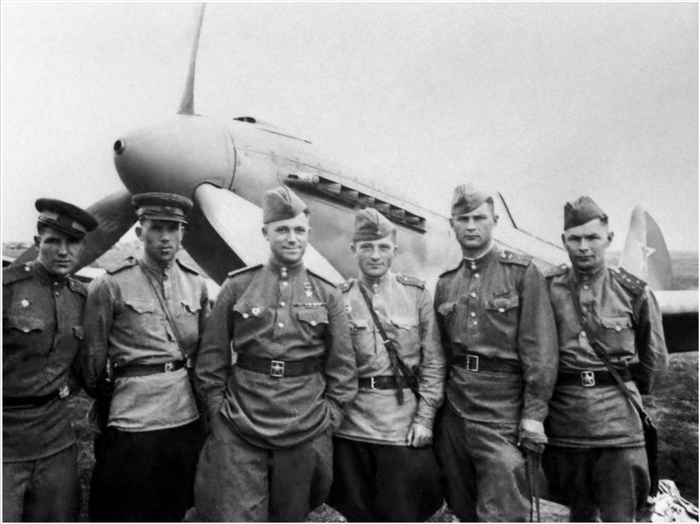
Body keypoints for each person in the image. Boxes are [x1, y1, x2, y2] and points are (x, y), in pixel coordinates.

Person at [193, 186, 357, 522]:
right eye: (282, 229)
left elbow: (342, 366)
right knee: (236, 514)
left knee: (291, 514)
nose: (291, 238)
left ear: (308, 234)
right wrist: (217, 412)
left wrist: (331, 417)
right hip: (240, 421)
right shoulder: (238, 286)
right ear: (265, 233)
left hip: (306, 423)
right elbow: (211, 360)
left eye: (299, 230)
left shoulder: (328, 293)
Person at [433, 183, 558, 521]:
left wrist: (534, 415)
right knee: (462, 505)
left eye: (479, 218)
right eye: (463, 219)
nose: (471, 226)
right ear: (452, 223)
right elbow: (441, 353)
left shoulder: (521, 273)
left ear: (495, 221)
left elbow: (540, 350)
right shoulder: (446, 282)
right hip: (457, 411)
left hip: (503, 412)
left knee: (503, 509)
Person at [82, 192, 210, 522]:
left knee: (174, 505)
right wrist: (109, 398)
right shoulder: (110, 284)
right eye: (156, 228)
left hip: (183, 416)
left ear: (183, 233)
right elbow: (93, 359)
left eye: (173, 228)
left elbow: (205, 353)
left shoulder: (196, 285)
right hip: (132, 417)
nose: (165, 237)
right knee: (124, 507)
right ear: (140, 232)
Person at [542, 196, 668, 522]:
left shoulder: (633, 292)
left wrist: (623, 389)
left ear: (608, 239)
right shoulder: (546, 289)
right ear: (564, 241)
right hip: (565, 426)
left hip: (619, 428)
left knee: (620, 515)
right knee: (578, 513)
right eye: (575, 239)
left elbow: (654, 362)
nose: (584, 247)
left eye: (592, 237)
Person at [326, 208, 446, 521]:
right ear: (354, 250)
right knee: (357, 513)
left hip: (401, 428)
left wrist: (425, 419)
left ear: (395, 249)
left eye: (383, 247)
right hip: (352, 427)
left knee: (402, 512)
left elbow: (433, 363)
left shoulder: (416, 294)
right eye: (367, 247)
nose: (375, 255)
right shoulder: (338, 298)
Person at [3, 198, 98, 521]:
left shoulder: (81, 297)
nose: (63, 251)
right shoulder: (7, 288)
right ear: (37, 242)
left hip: (55, 437)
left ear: (82, 248)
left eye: (73, 243)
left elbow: (82, 362)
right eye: (53, 241)